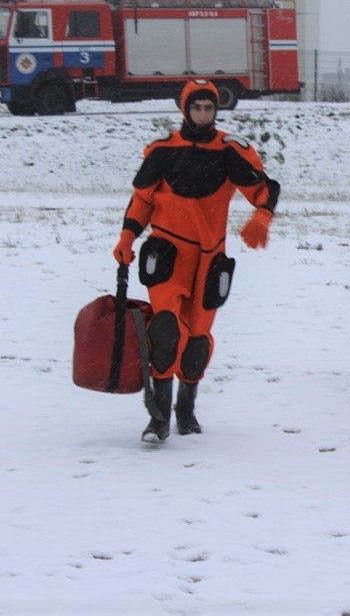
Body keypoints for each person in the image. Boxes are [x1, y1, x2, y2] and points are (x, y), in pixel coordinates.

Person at [112, 79, 280, 444]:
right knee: (165, 329)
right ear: (184, 109)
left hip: (209, 258)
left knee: (198, 337)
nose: (202, 115)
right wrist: (128, 236)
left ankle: (185, 410)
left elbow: (263, 187)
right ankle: (158, 416)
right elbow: (142, 199)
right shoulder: (162, 150)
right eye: (196, 108)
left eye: (208, 109)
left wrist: (263, 215)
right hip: (168, 252)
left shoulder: (230, 150)